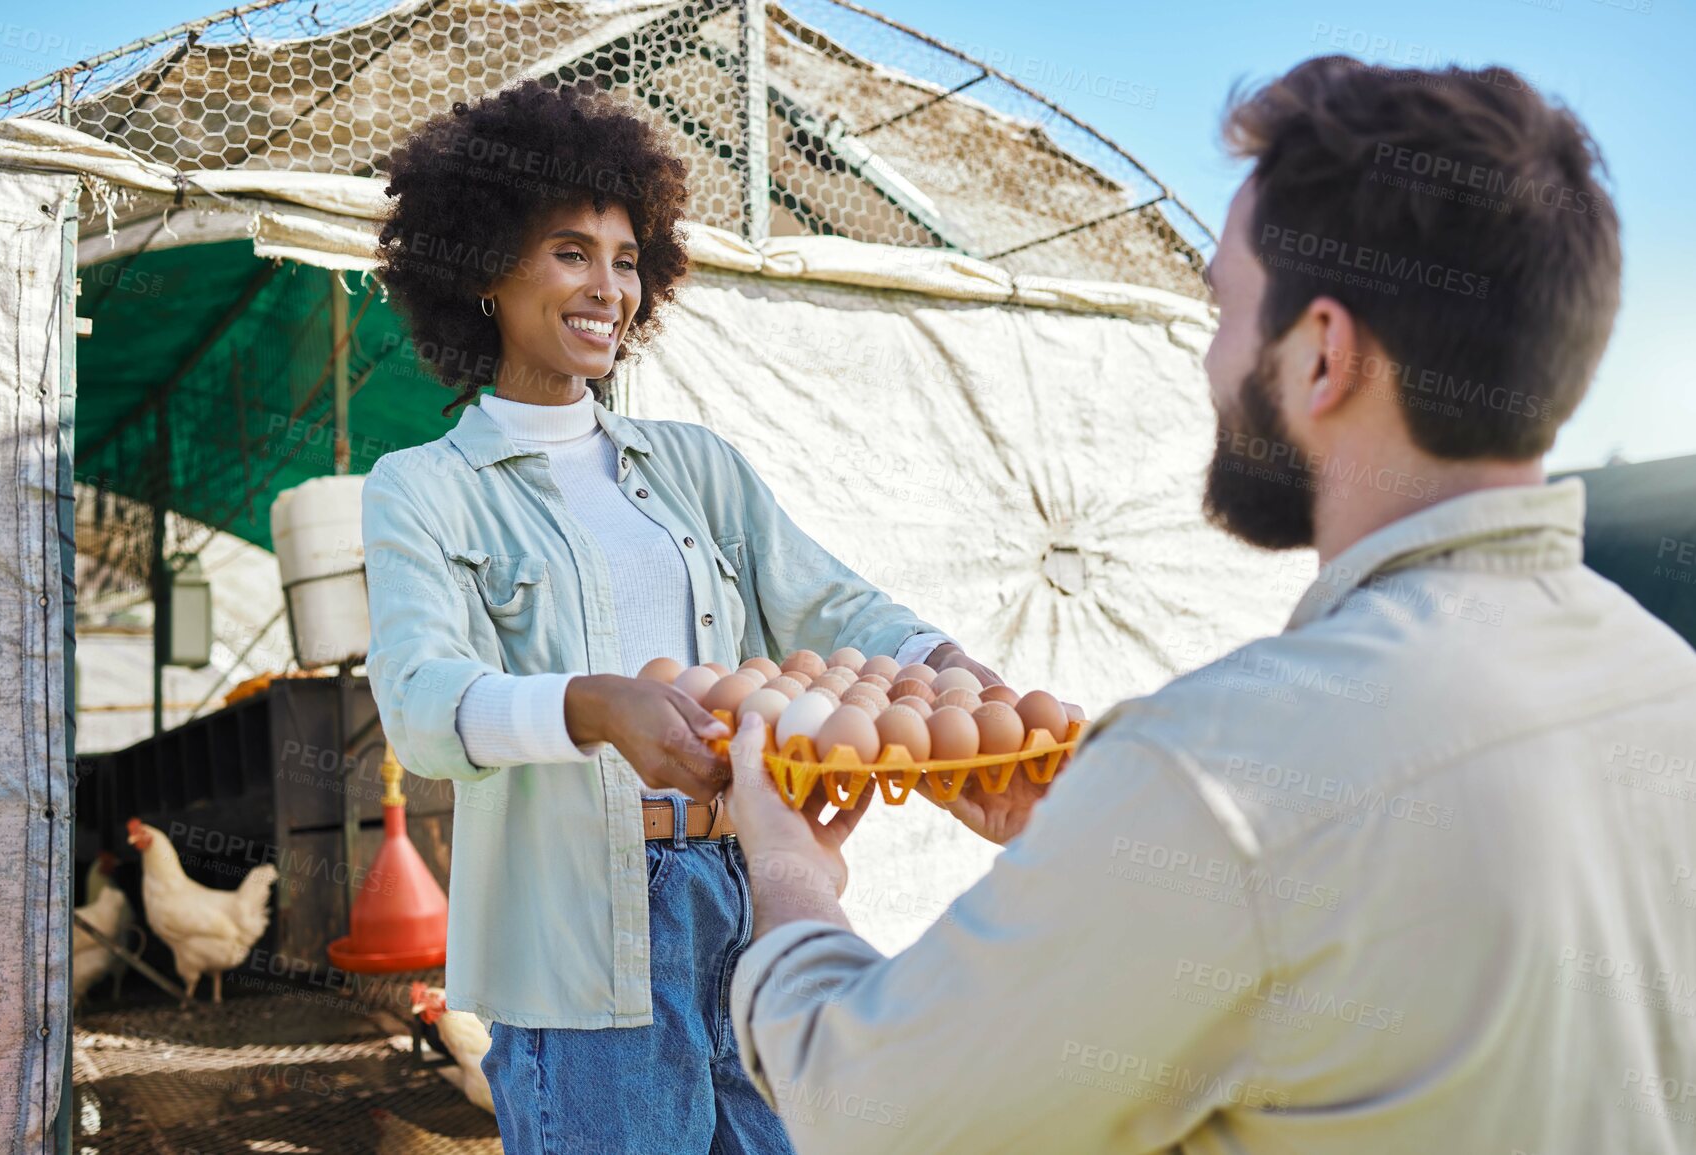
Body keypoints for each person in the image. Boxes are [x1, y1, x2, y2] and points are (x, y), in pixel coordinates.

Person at [722, 56, 1696, 1154]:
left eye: (1223, 306)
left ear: (1324, 353)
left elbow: (870, 1107)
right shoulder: (1666, 690)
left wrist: (794, 873)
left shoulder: (1227, 767)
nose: (1211, 358)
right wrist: (1103, 862)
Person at [362, 81, 997, 1155]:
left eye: (625, 257)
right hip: (575, 932)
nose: (607, 285)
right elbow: (423, 704)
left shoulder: (698, 468)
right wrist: (598, 705)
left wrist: (943, 663)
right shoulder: (424, 488)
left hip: (746, 888)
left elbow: (831, 598)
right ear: (481, 270)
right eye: (570, 252)